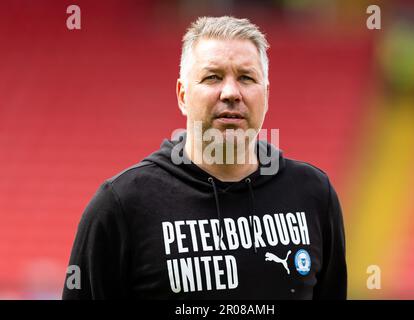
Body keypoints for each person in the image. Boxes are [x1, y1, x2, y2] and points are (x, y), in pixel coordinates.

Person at [62, 16, 347, 300]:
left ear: (267, 95)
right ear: (182, 95)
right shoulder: (122, 206)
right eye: (213, 77)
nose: (231, 92)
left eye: (246, 78)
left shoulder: (313, 194)